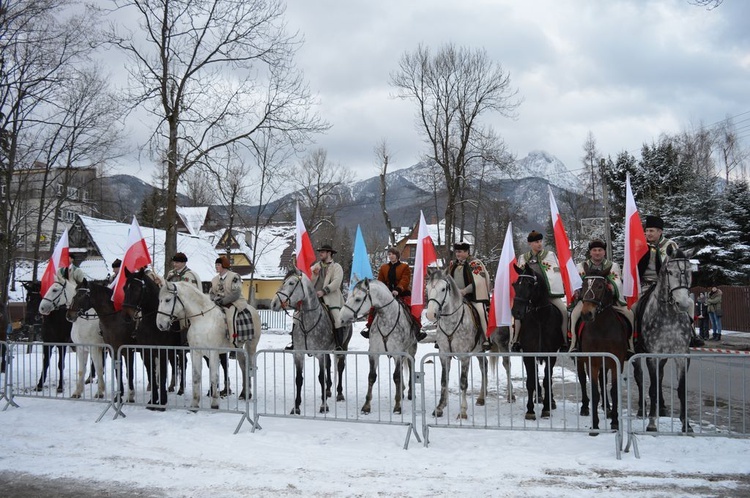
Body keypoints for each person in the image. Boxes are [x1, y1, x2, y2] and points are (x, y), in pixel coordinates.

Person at [635, 215, 703, 348]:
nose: (648, 234)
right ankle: (635, 338)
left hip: (666, 285)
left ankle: (691, 333)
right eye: (647, 231)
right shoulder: (640, 245)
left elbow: (676, 266)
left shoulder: (670, 246)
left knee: (688, 303)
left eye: (651, 231)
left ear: (660, 232)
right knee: (634, 307)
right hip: (645, 284)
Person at [568, 239, 634, 354]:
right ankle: (574, 344)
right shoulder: (581, 267)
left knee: (630, 314)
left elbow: (616, 282)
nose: (597, 252)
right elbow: (576, 283)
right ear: (590, 252)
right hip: (588, 301)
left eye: (600, 250)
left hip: (610, 302)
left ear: (604, 252)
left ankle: (630, 344)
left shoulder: (613, 266)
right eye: (594, 250)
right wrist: (578, 292)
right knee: (574, 315)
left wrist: (610, 287)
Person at [510, 231, 569, 352]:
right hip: (530, 297)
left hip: (548, 294)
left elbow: (555, 273)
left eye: (540, 241)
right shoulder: (523, 258)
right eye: (536, 242)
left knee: (563, 311)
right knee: (519, 314)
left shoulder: (550, 255)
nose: (539, 244)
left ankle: (564, 340)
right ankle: (516, 339)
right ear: (530, 243)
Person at [361, 247, 426, 341]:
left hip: (402, 293)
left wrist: (398, 289)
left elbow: (405, 279)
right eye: (389, 254)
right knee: (374, 308)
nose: (390, 256)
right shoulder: (384, 268)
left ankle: (417, 330)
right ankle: (370, 327)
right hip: (387, 294)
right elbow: (380, 281)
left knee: (412, 308)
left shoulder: (404, 267)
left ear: (397, 255)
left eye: (392, 254)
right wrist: (382, 291)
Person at [447, 241, 491, 349]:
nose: (458, 254)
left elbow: (479, 281)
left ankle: (487, 338)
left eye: (460, 252)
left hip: (473, 297)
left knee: (481, 312)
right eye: (457, 251)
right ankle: (441, 338)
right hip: (455, 297)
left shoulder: (475, 263)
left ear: (467, 252)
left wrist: (465, 291)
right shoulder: (453, 264)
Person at [311, 243, 347, 350]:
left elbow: (336, 282)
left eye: (322, 252)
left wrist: (324, 291)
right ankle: (295, 342)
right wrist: (314, 275)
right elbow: (309, 281)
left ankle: (339, 345)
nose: (320, 254)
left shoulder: (336, 267)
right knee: (298, 314)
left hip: (331, 298)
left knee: (336, 317)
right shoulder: (315, 267)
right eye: (320, 252)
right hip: (314, 297)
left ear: (329, 253)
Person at [166, 252, 202, 345]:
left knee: (183, 317)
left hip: (186, 304)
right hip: (172, 303)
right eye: (174, 262)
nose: (175, 264)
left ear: (183, 263)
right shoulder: (171, 273)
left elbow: (191, 292)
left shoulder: (189, 275)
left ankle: (184, 340)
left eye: (177, 262)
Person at [210, 255, 248, 342]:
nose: (216, 266)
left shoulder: (234, 276)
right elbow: (211, 293)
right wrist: (215, 299)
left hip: (234, 302)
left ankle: (233, 341)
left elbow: (236, 293)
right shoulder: (214, 279)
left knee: (230, 318)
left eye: (218, 265)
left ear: (224, 266)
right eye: (216, 265)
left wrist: (223, 301)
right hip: (218, 303)